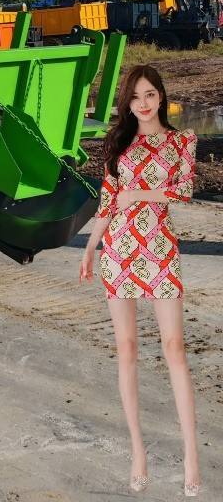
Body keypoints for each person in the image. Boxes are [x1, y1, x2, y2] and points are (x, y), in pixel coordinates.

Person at [79, 65, 200, 496]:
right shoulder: (118, 142)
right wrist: (90, 247)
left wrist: (141, 194)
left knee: (174, 347)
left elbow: (185, 189)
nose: (143, 103)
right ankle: (138, 452)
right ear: (127, 103)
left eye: (149, 94)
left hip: (160, 248)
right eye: (135, 97)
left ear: (161, 96)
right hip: (119, 250)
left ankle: (191, 455)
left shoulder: (182, 141)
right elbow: (109, 200)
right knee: (127, 349)